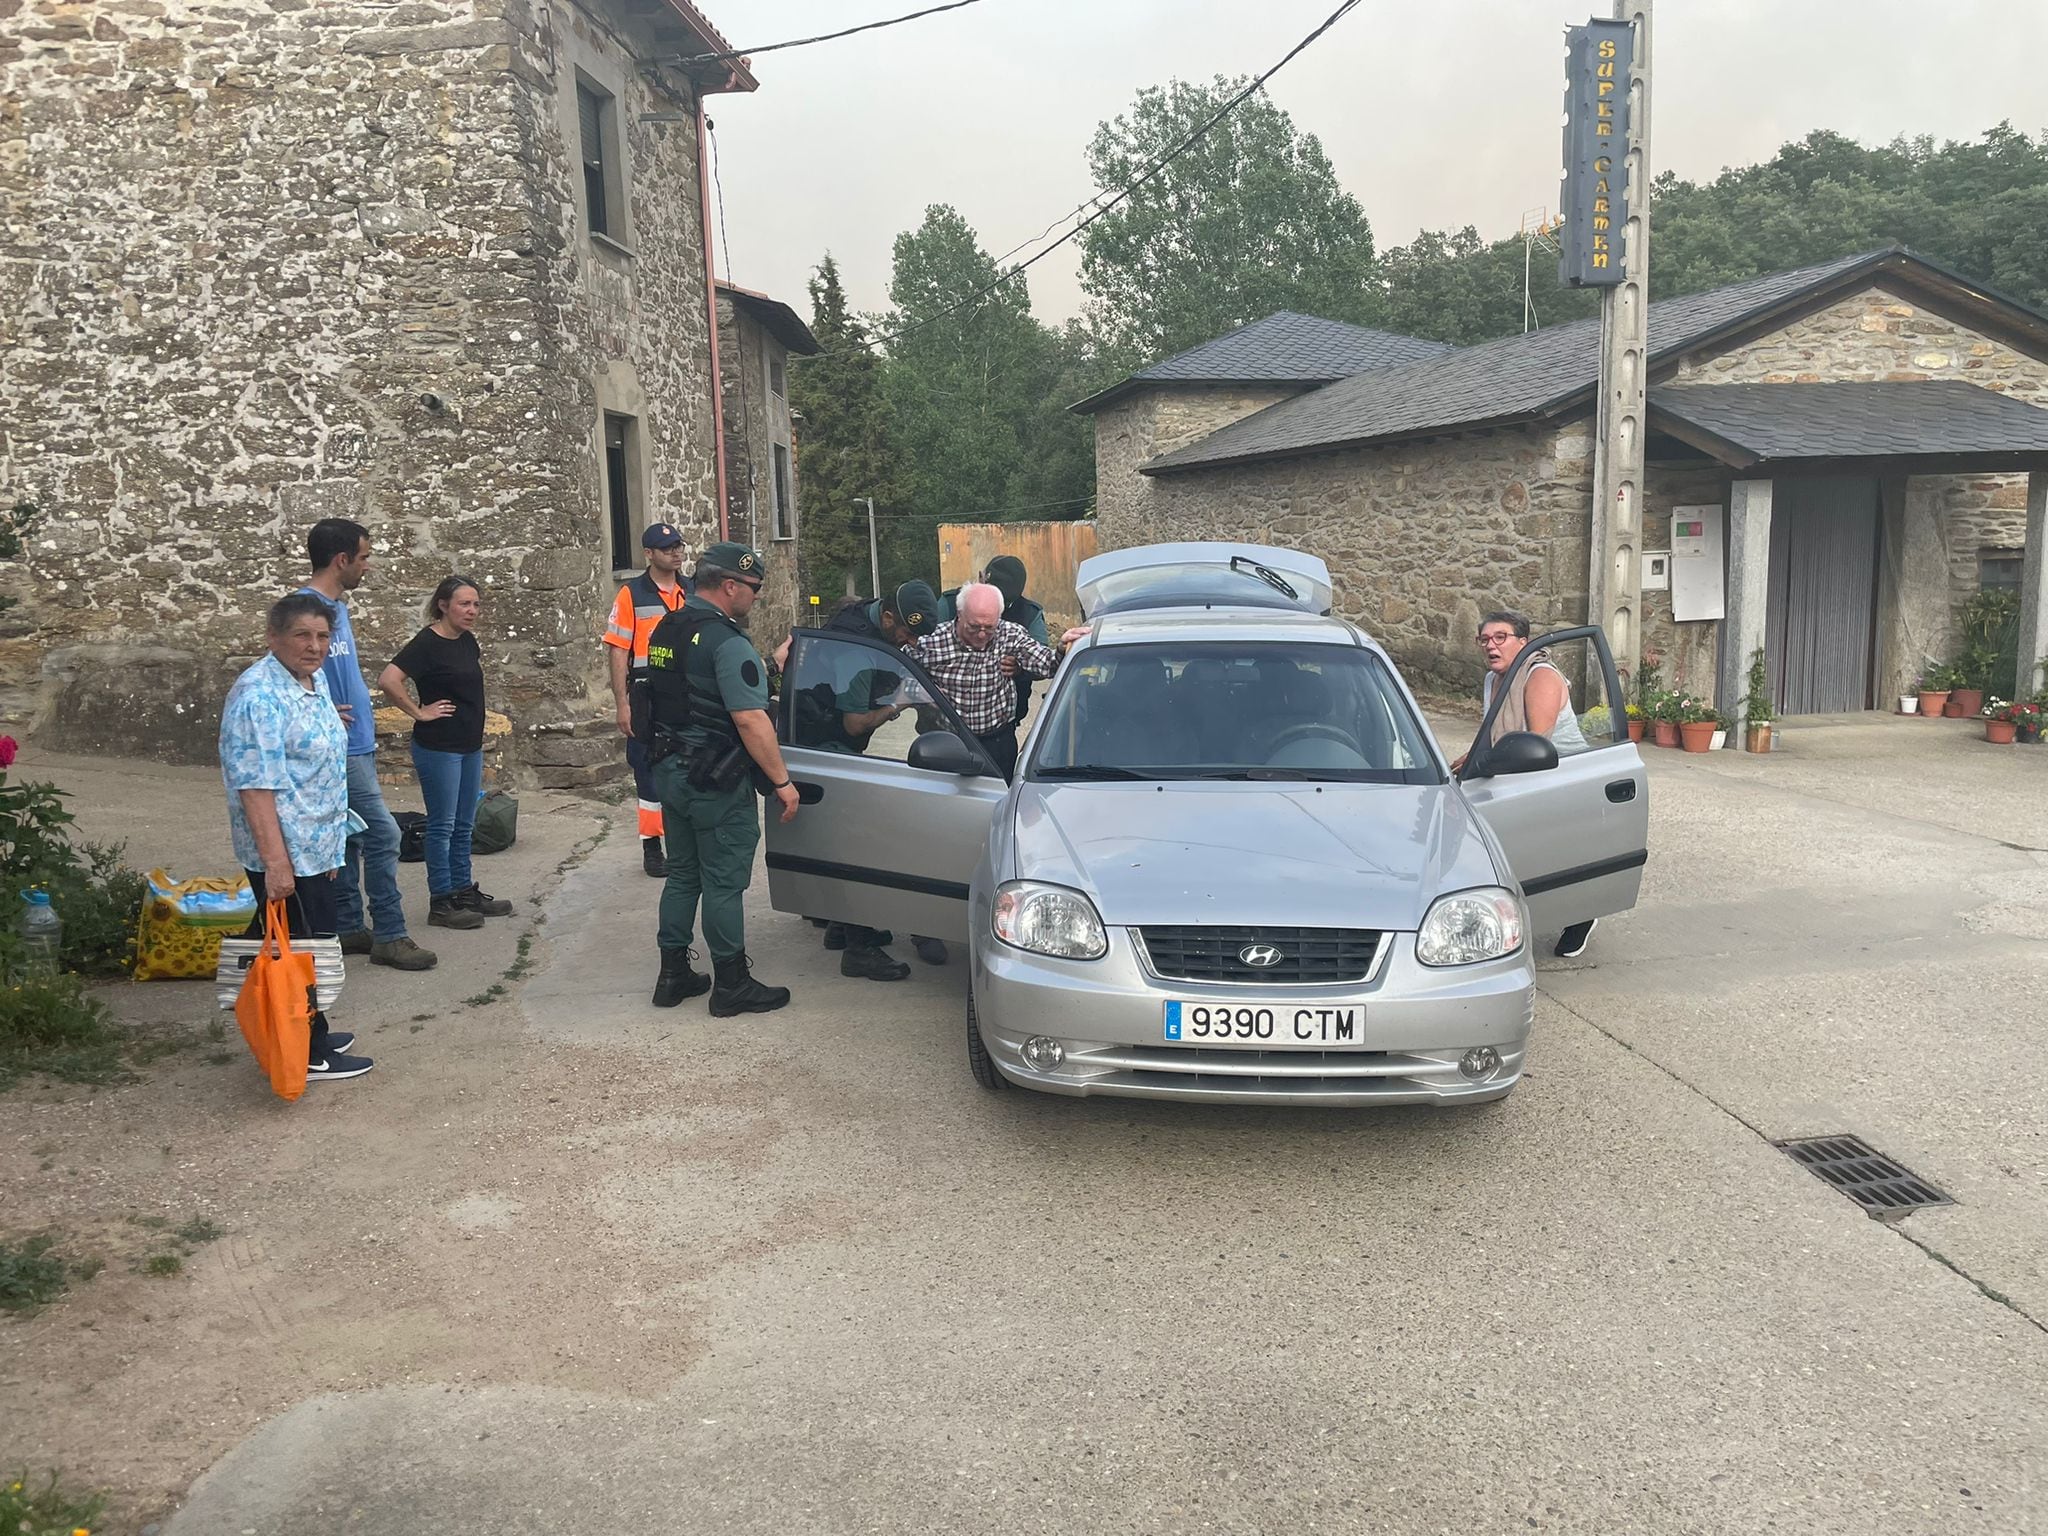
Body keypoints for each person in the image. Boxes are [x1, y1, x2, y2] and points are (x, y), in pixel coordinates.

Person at [641, 542, 800, 1015]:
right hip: (714, 781)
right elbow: (751, 720)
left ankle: (672, 976)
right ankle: (731, 983)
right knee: (723, 883)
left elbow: (693, 689)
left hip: (670, 771)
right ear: (730, 586)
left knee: (683, 874)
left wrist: (769, 665)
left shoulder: (667, 628)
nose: (757, 597)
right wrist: (782, 783)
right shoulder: (729, 642)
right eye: (754, 588)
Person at [220, 593, 372, 1081]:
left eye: (323, 636)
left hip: (316, 841)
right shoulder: (257, 696)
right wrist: (277, 864)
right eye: (302, 635)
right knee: (302, 950)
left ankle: (309, 1030)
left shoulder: (312, 679)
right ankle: (306, 1048)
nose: (314, 645)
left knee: (307, 943)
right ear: (274, 638)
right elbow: (255, 785)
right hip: (285, 848)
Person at [297, 518, 437, 973]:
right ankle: (391, 935)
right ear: (342, 561)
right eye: (364, 557)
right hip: (339, 745)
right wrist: (317, 711)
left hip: (355, 741)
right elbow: (282, 673)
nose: (368, 567)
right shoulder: (305, 611)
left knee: (350, 837)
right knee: (384, 834)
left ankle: (348, 925)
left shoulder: (335, 607)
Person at [790, 581, 942, 979]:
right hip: (828, 747)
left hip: (816, 741)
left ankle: (839, 927)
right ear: (888, 617)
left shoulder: (860, 616)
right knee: (859, 844)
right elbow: (855, 723)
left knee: (838, 841)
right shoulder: (857, 653)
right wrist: (898, 704)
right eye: (907, 634)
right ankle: (859, 949)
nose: (909, 643)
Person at [377, 576, 514, 932]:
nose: (472, 611)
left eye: (476, 605)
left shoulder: (467, 642)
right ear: (443, 605)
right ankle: (441, 901)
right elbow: (389, 679)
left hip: (469, 745)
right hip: (438, 746)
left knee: (464, 824)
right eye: (464, 604)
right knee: (443, 825)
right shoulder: (427, 643)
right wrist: (419, 712)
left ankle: (463, 892)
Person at [1463, 610, 1596, 960]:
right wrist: (1470, 759)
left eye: (1500, 637)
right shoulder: (1493, 680)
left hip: (1561, 775)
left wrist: (1488, 763)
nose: (1491, 645)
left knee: (1552, 855)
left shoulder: (1540, 676)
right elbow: (1495, 735)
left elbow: (1535, 743)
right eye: (1485, 639)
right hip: (1516, 767)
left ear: (1523, 642)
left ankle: (1583, 913)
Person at [914, 581, 1064, 783]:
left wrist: (1064, 649)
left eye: (989, 627)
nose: (982, 634)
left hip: (997, 742)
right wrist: (922, 693)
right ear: (959, 614)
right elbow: (896, 675)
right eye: (974, 627)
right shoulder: (930, 642)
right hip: (946, 744)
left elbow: (1048, 664)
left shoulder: (1010, 634)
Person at [604, 522, 688, 879]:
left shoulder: (693, 590)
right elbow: (618, 650)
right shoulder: (631, 595)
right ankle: (652, 847)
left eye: (678, 546)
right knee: (647, 771)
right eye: (667, 548)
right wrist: (622, 703)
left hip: (686, 692)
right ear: (649, 554)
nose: (676, 552)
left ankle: (685, 842)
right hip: (646, 695)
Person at [938, 554, 1049, 759]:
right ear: (982, 578)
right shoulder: (949, 604)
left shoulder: (1028, 614)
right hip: (946, 732)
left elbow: (1044, 662)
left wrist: (1020, 668)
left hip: (999, 731)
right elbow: (915, 651)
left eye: (1006, 604)